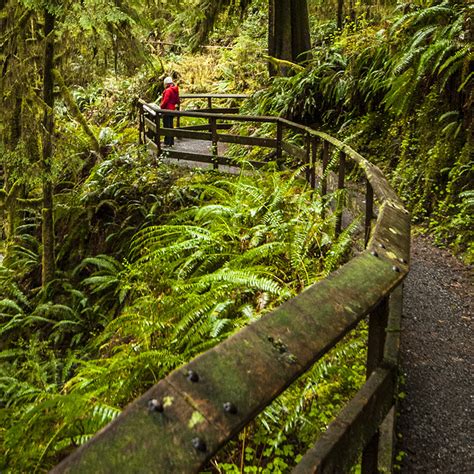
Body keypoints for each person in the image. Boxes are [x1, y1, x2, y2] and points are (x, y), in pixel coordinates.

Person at [160, 76, 180, 146]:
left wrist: (161, 107)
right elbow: (177, 100)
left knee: (166, 126)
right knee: (170, 125)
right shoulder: (175, 89)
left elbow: (165, 101)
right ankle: (171, 141)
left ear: (166, 84)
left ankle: (168, 142)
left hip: (167, 110)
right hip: (172, 109)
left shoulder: (168, 90)